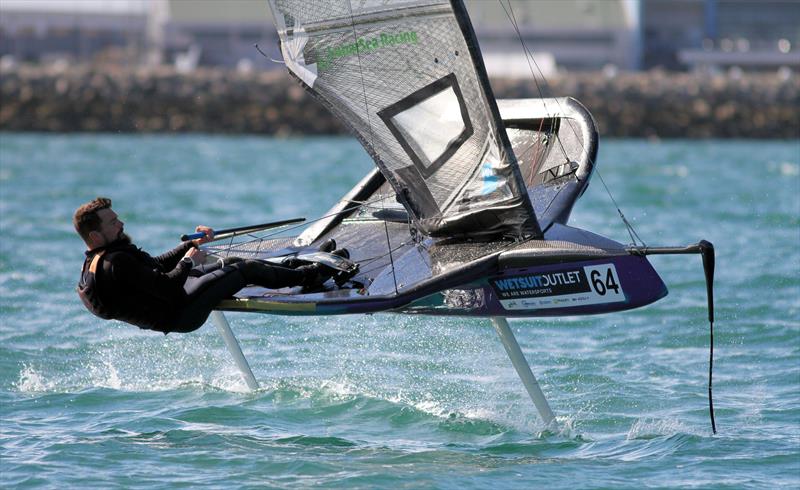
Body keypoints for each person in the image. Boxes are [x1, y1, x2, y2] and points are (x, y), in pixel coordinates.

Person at [74, 197, 342, 334]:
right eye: (113, 223)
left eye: (117, 219)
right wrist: (190, 260)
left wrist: (191, 247)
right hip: (180, 313)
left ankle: (298, 265)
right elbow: (167, 286)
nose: (121, 224)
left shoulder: (99, 259)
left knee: (233, 262)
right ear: (96, 236)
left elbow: (154, 267)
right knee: (243, 269)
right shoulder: (115, 263)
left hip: (176, 300)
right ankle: (311, 275)